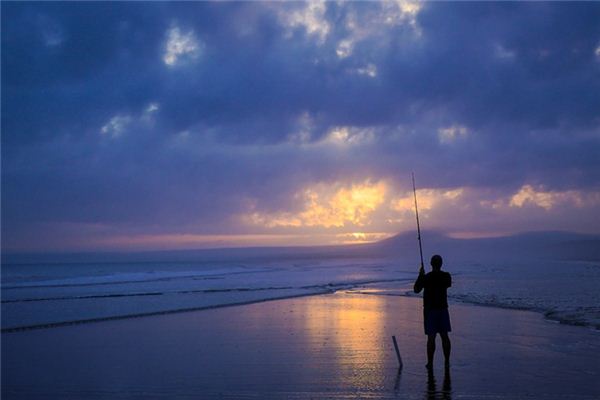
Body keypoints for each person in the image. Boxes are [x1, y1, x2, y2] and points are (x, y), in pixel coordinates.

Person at [414, 254, 452, 370]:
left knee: (431, 338)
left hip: (430, 311)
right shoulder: (446, 276)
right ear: (441, 264)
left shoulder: (427, 277)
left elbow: (416, 290)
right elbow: (448, 284)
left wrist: (421, 276)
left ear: (431, 264)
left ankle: (430, 363)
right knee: (444, 336)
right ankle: (446, 362)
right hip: (442, 310)